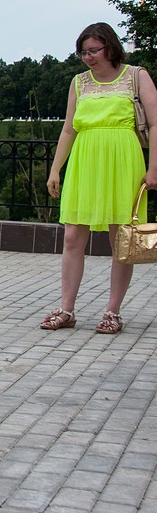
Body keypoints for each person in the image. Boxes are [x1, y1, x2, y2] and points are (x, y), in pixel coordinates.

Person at [42, 22, 157, 335]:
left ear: (110, 46)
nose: (88, 57)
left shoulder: (136, 75)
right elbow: (69, 128)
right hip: (85, 160)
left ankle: (112, 311)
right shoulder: (79, 82)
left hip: (124, 160)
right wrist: (55, 169)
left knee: (121, 239)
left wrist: (154, 167)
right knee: (71, 237)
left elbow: (156, 122)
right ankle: (67, 309)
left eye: (93, 50)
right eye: (83, 52)